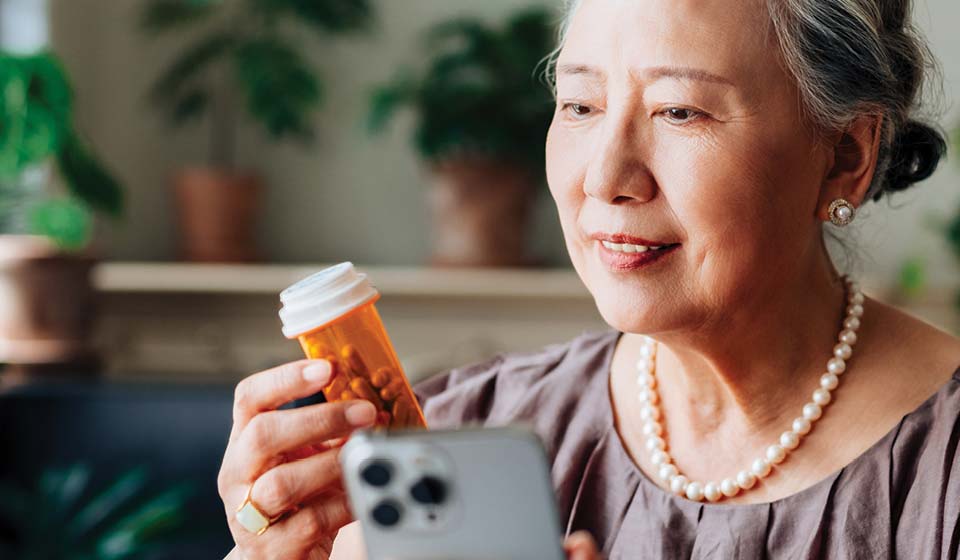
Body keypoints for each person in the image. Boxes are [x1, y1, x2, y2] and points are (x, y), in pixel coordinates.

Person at [217, 0, 960, 557]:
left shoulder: (943, 465)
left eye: (681, 110)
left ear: (845, 156)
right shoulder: (457, 436)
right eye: (579, 104)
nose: (604, 178)